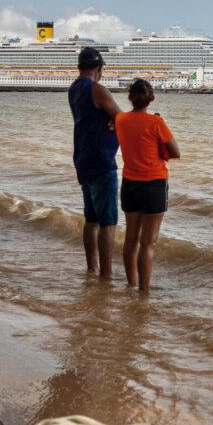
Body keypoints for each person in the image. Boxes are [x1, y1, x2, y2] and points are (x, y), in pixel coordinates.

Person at [114, 79, 180, 295]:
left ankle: (131, 283)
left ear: (130, 97)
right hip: (154, 184)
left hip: (130, 183)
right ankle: (144, 293)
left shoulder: (120, 119)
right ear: (150, 98)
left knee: (131, 239)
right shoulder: (156, 122)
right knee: (148, 243)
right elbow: (176, 152)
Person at [68, 47, 121, 278]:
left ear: (80, 67)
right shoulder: (97, 89)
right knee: (108, 222)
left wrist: (111, 119)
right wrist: (115, 120)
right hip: (101, 160)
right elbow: (123, 118)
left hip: (83, 158)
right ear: (99, 69)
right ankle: (106, 276)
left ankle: (92, 268)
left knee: (91, 219)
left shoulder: (74, 88)